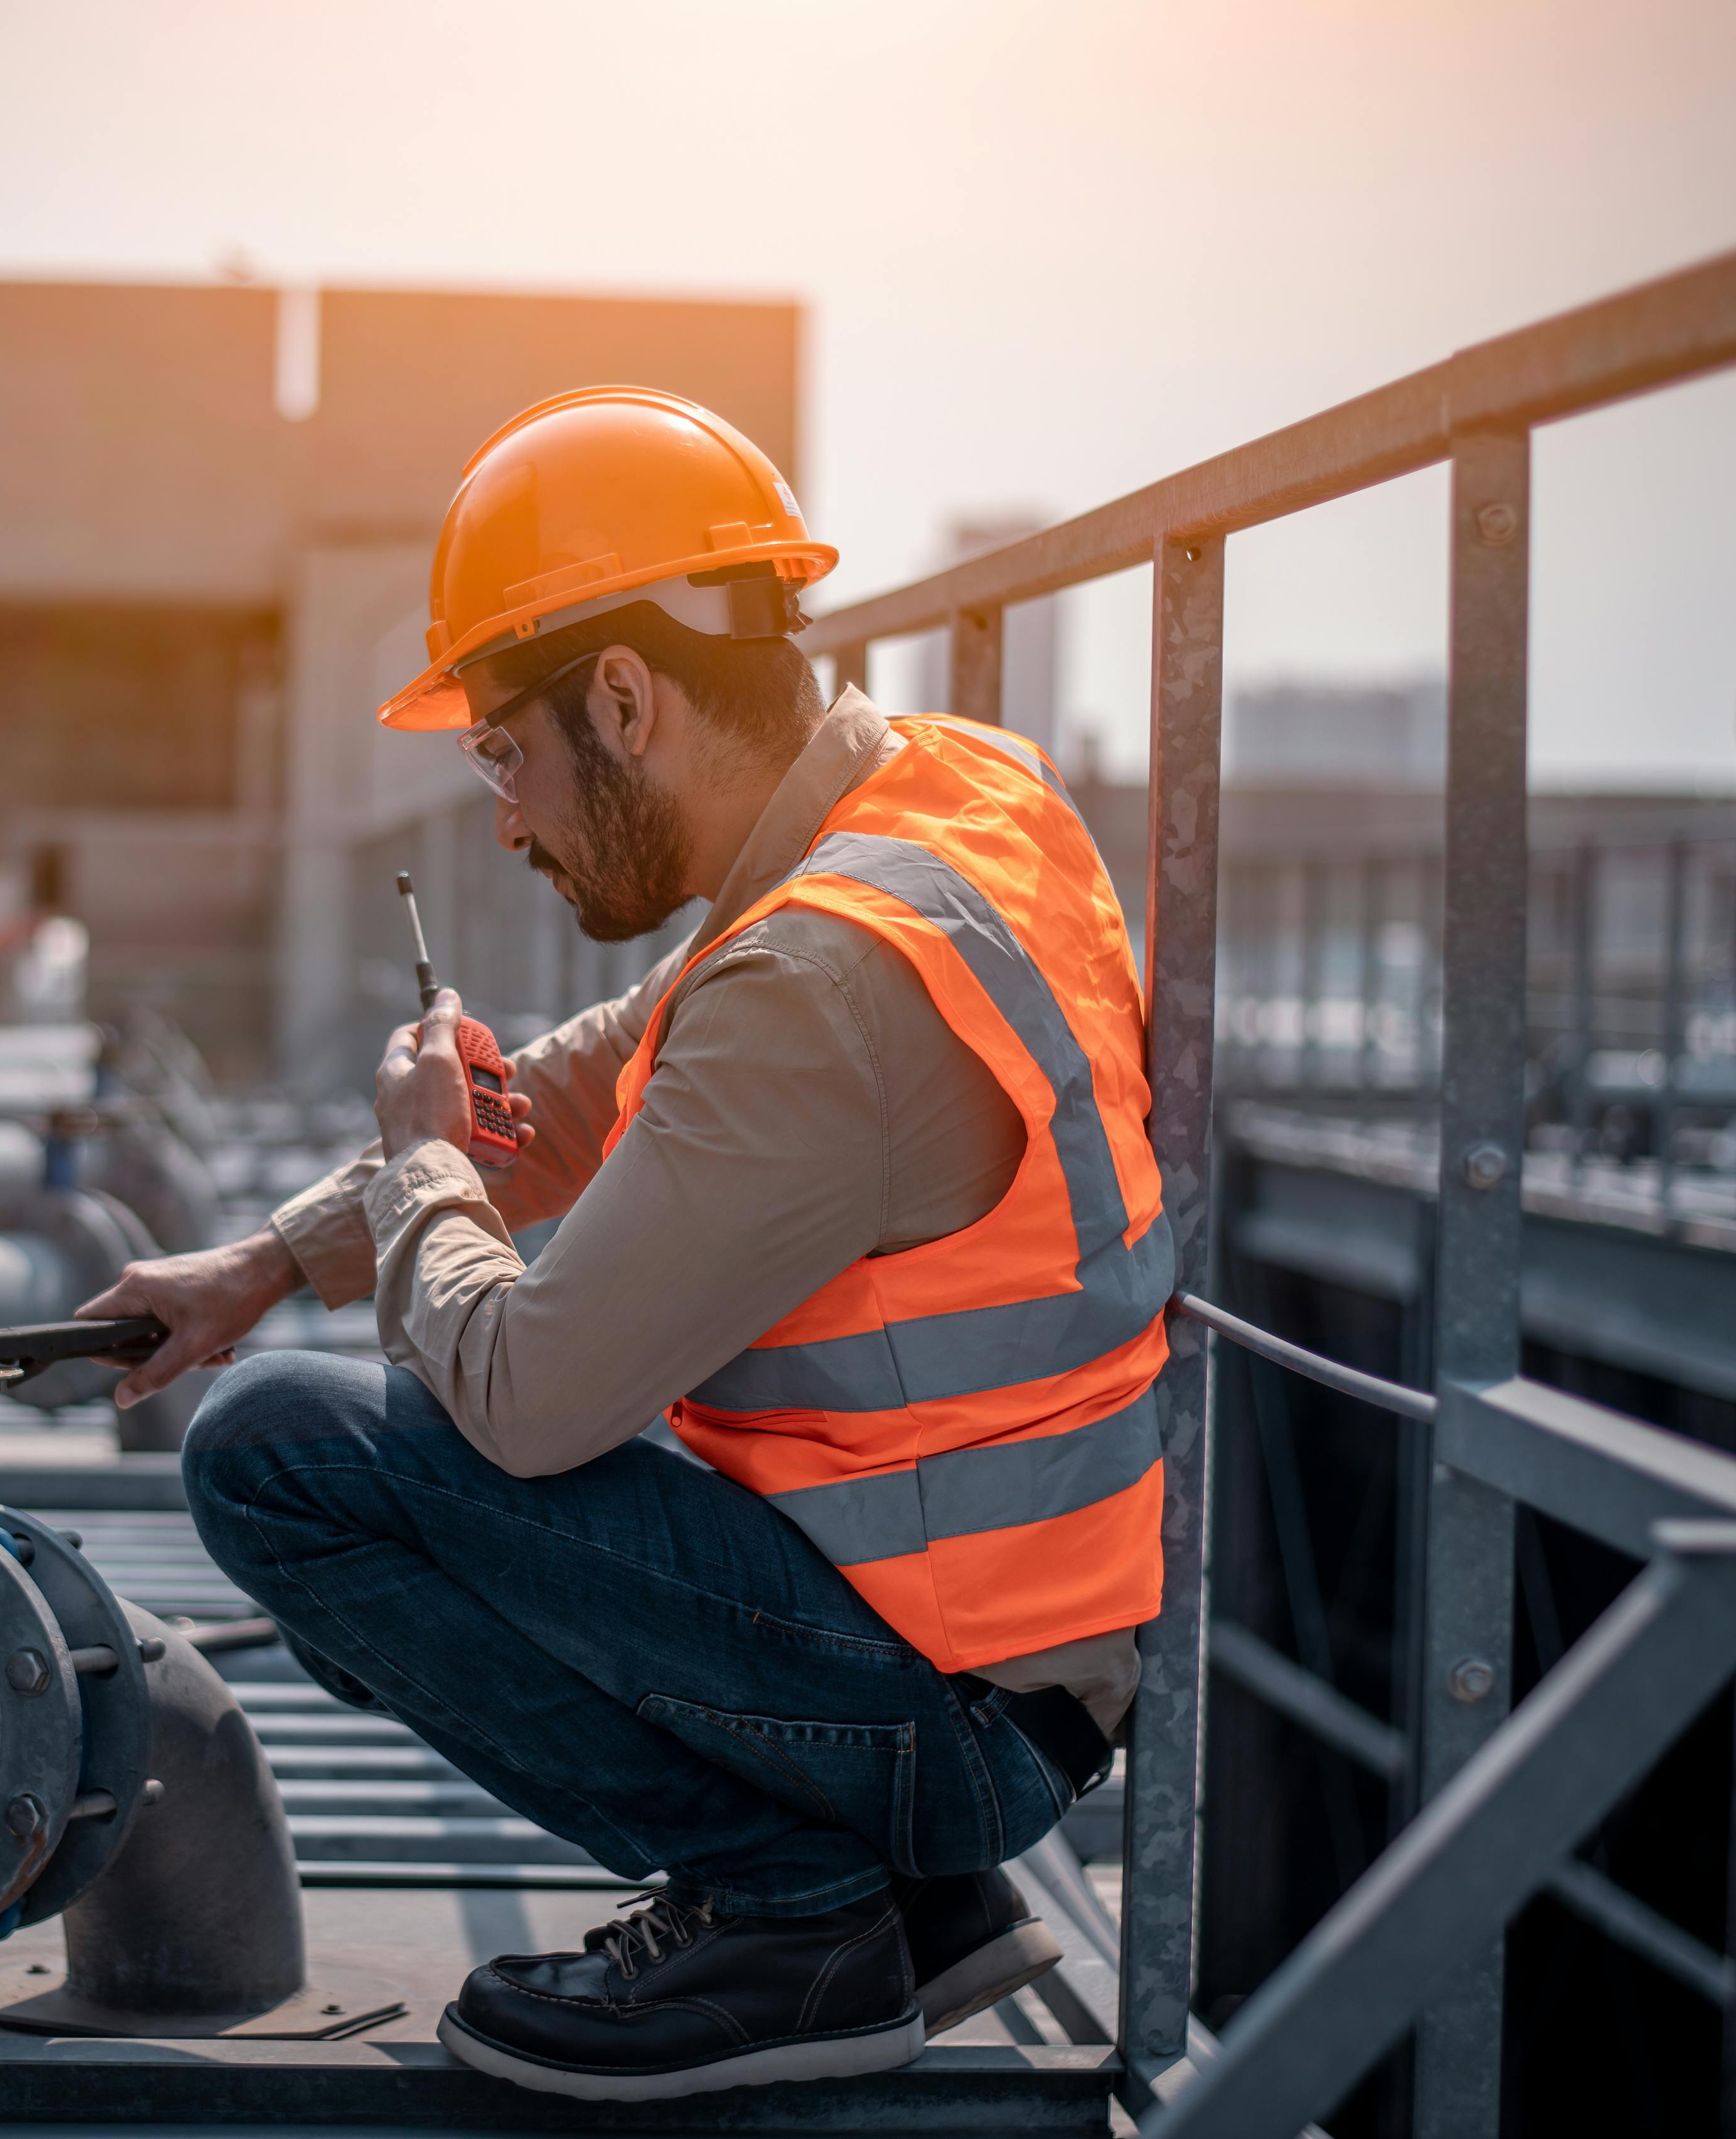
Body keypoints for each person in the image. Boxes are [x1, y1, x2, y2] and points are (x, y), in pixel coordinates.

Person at [78, 386, 1175, 2102]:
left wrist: (425, 1162)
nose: (504, 819)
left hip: (943, 1725)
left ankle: (795, 1905)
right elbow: (604, 1084)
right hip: (1017, 1666)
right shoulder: (940, 812)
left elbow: (527, 1402)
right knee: (326, 1386)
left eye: (504, 755)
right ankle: (906, 1902)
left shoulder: (818, 983)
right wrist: (266, 1263)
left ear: (623, 696)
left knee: (280, 1457)